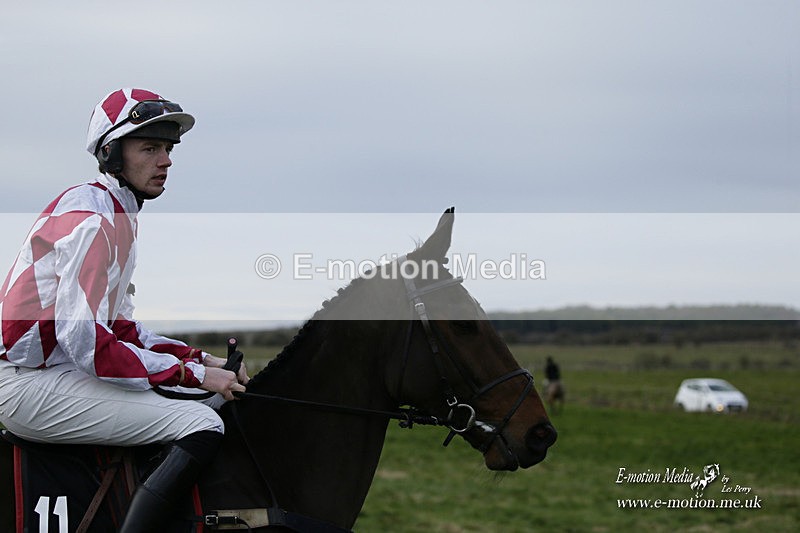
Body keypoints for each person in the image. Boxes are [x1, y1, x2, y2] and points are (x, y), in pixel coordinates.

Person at [0, 88, 249, 532]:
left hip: (53, 371)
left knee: (203, 396)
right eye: (150, 148)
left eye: (168, 148)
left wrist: (199, 359)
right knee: (200, 421)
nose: (166, 161)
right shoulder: (94, 219)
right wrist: (191, 375)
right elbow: (88, 343)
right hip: (26, 383)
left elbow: (120, 328)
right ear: (113, 154)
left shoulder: (114, 211)